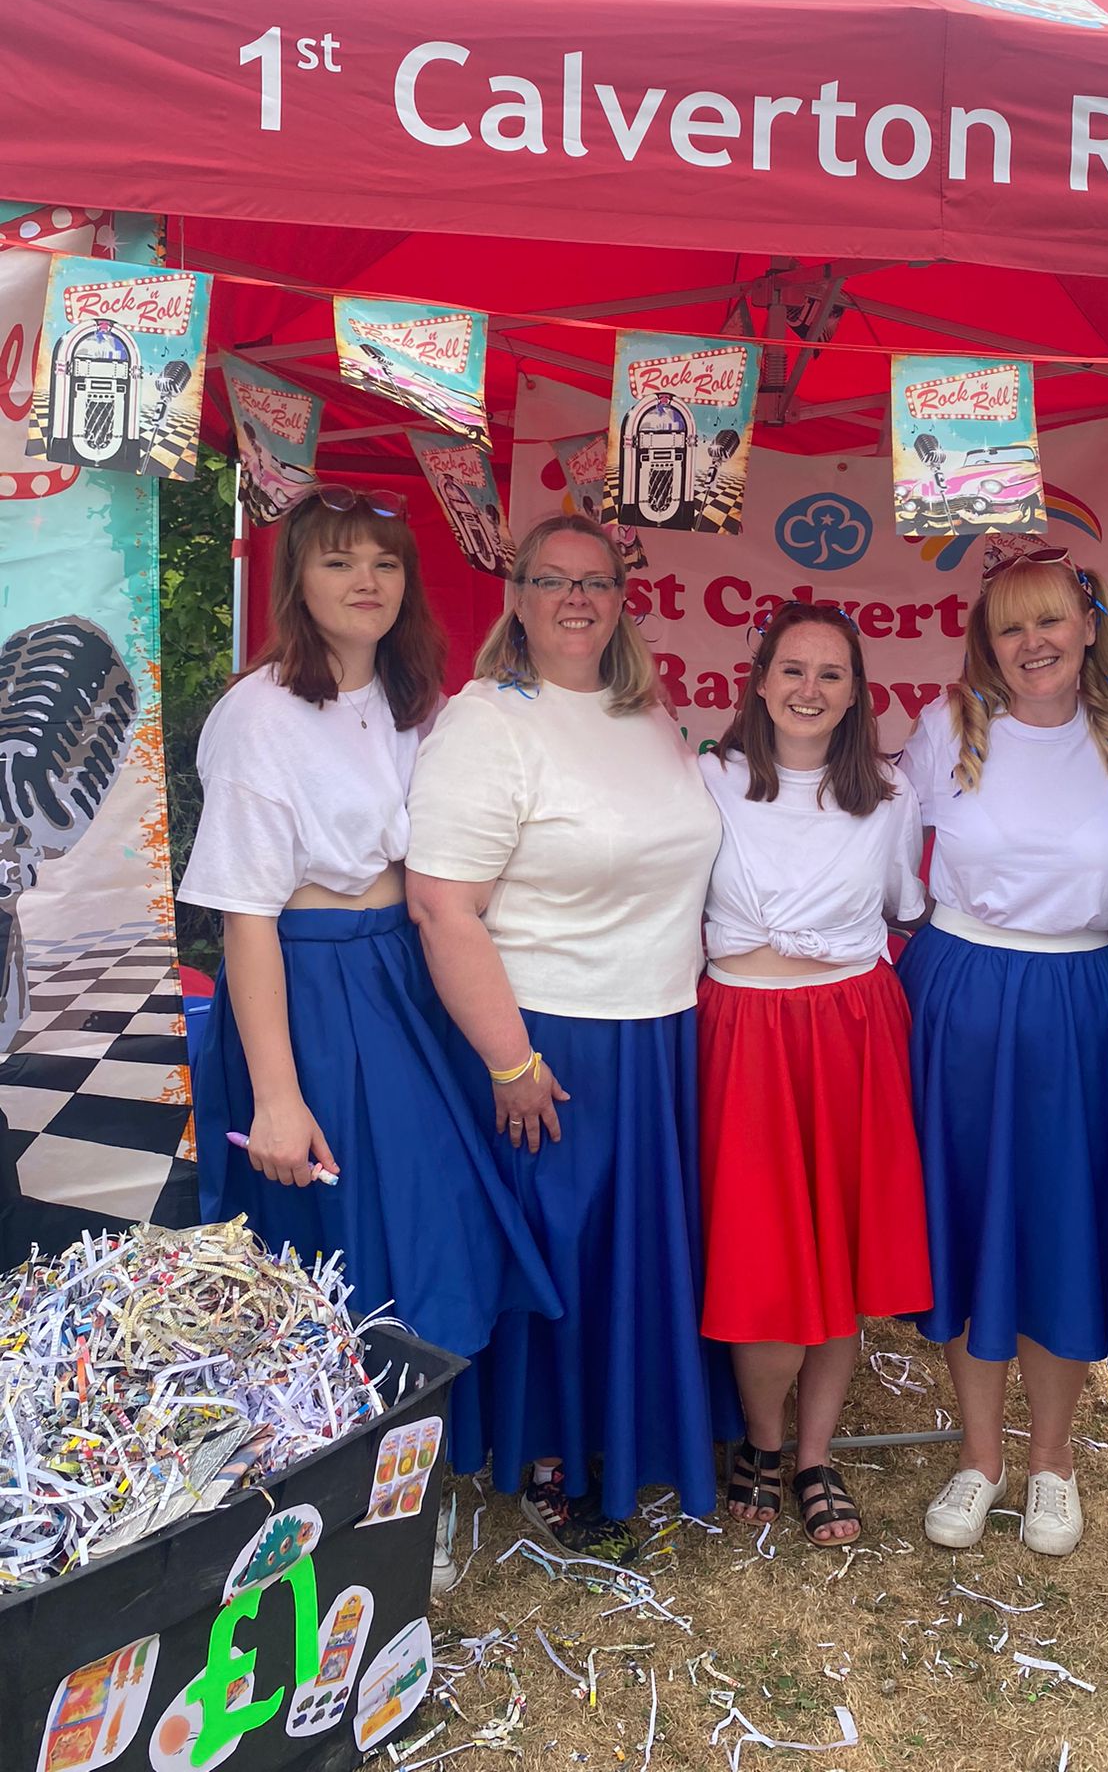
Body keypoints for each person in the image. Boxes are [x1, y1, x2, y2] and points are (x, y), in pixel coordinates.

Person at [179, 487, 558, 1566]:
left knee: (440, 1227)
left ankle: (421, 1475)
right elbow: (245, 919)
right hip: (315, 988)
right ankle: (366, 1509)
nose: (366, 581)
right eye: (339, 561)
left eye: (386, 563)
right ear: (296, 580)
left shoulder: (410, 699)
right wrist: (278, 1095)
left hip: (407, 975)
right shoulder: (257, 716)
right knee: (357, 1242)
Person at [404, 512, 726, 1557]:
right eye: (552, 580)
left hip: (660, 1028)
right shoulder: (486, 722)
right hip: (550, 1036)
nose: (577, 599)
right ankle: (551, 1457)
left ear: (623, 600)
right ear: (518, 599)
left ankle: (627, 1432)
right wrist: (510, 1058)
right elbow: (442, 907)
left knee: (633, 1255)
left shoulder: (647, 714)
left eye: (596, 581)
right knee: (564, 1252)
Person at [897, 545, 1108, 1557]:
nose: (1033, 642)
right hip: (958, 992)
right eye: (1011, 626)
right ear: (986, 643)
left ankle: (1052, 1460)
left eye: (1050, 620)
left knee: (1057, 1226)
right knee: (966, 1222)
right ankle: (978, 1455)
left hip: (1079, 1001)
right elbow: (873, 846)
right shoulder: (946, 728)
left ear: (1088, 626)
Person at [698, 603, 931, 1546]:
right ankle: (760, 1438)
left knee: (841, 1245)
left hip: (849, 1028)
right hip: (742, 1029)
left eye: (831, 674)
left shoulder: (888, 793)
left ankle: (814, 1455)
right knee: (761, 1246)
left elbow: (903, 905)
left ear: (857, 692)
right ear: (759, 682)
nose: (809, 689)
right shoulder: (708, 780)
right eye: (792, 669)